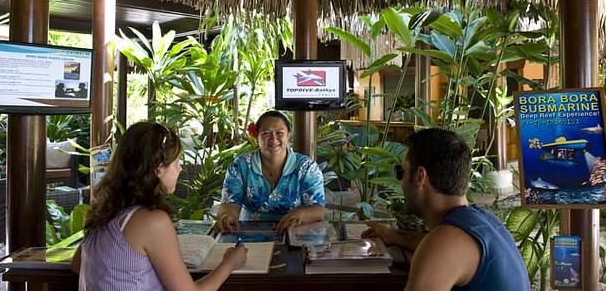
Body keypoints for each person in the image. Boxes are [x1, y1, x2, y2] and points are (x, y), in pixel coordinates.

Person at [71, 122, 247, 291]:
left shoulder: (104, 210)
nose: (180, 169)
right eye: (177, 162)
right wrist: (229, 263)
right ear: (158, 169)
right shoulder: (152, 221)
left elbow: (77, 264)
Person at [362, 128, 529, 291]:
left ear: (420, 177)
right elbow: (431, 246)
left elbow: (439, 249)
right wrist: (392, 235)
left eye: (401, 172)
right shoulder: (482, 222)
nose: (401, 182)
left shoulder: (448, 241)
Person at [216, 111, 325, 233]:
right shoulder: (240, 166)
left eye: (280, 133)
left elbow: (318, 210)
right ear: (257, 136)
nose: (274, 139)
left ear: (288, 135)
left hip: (296, 233)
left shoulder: (307, 167)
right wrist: (227, 217)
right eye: (266, 133)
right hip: (250, 233)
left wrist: (300, 215)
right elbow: (230, 204)